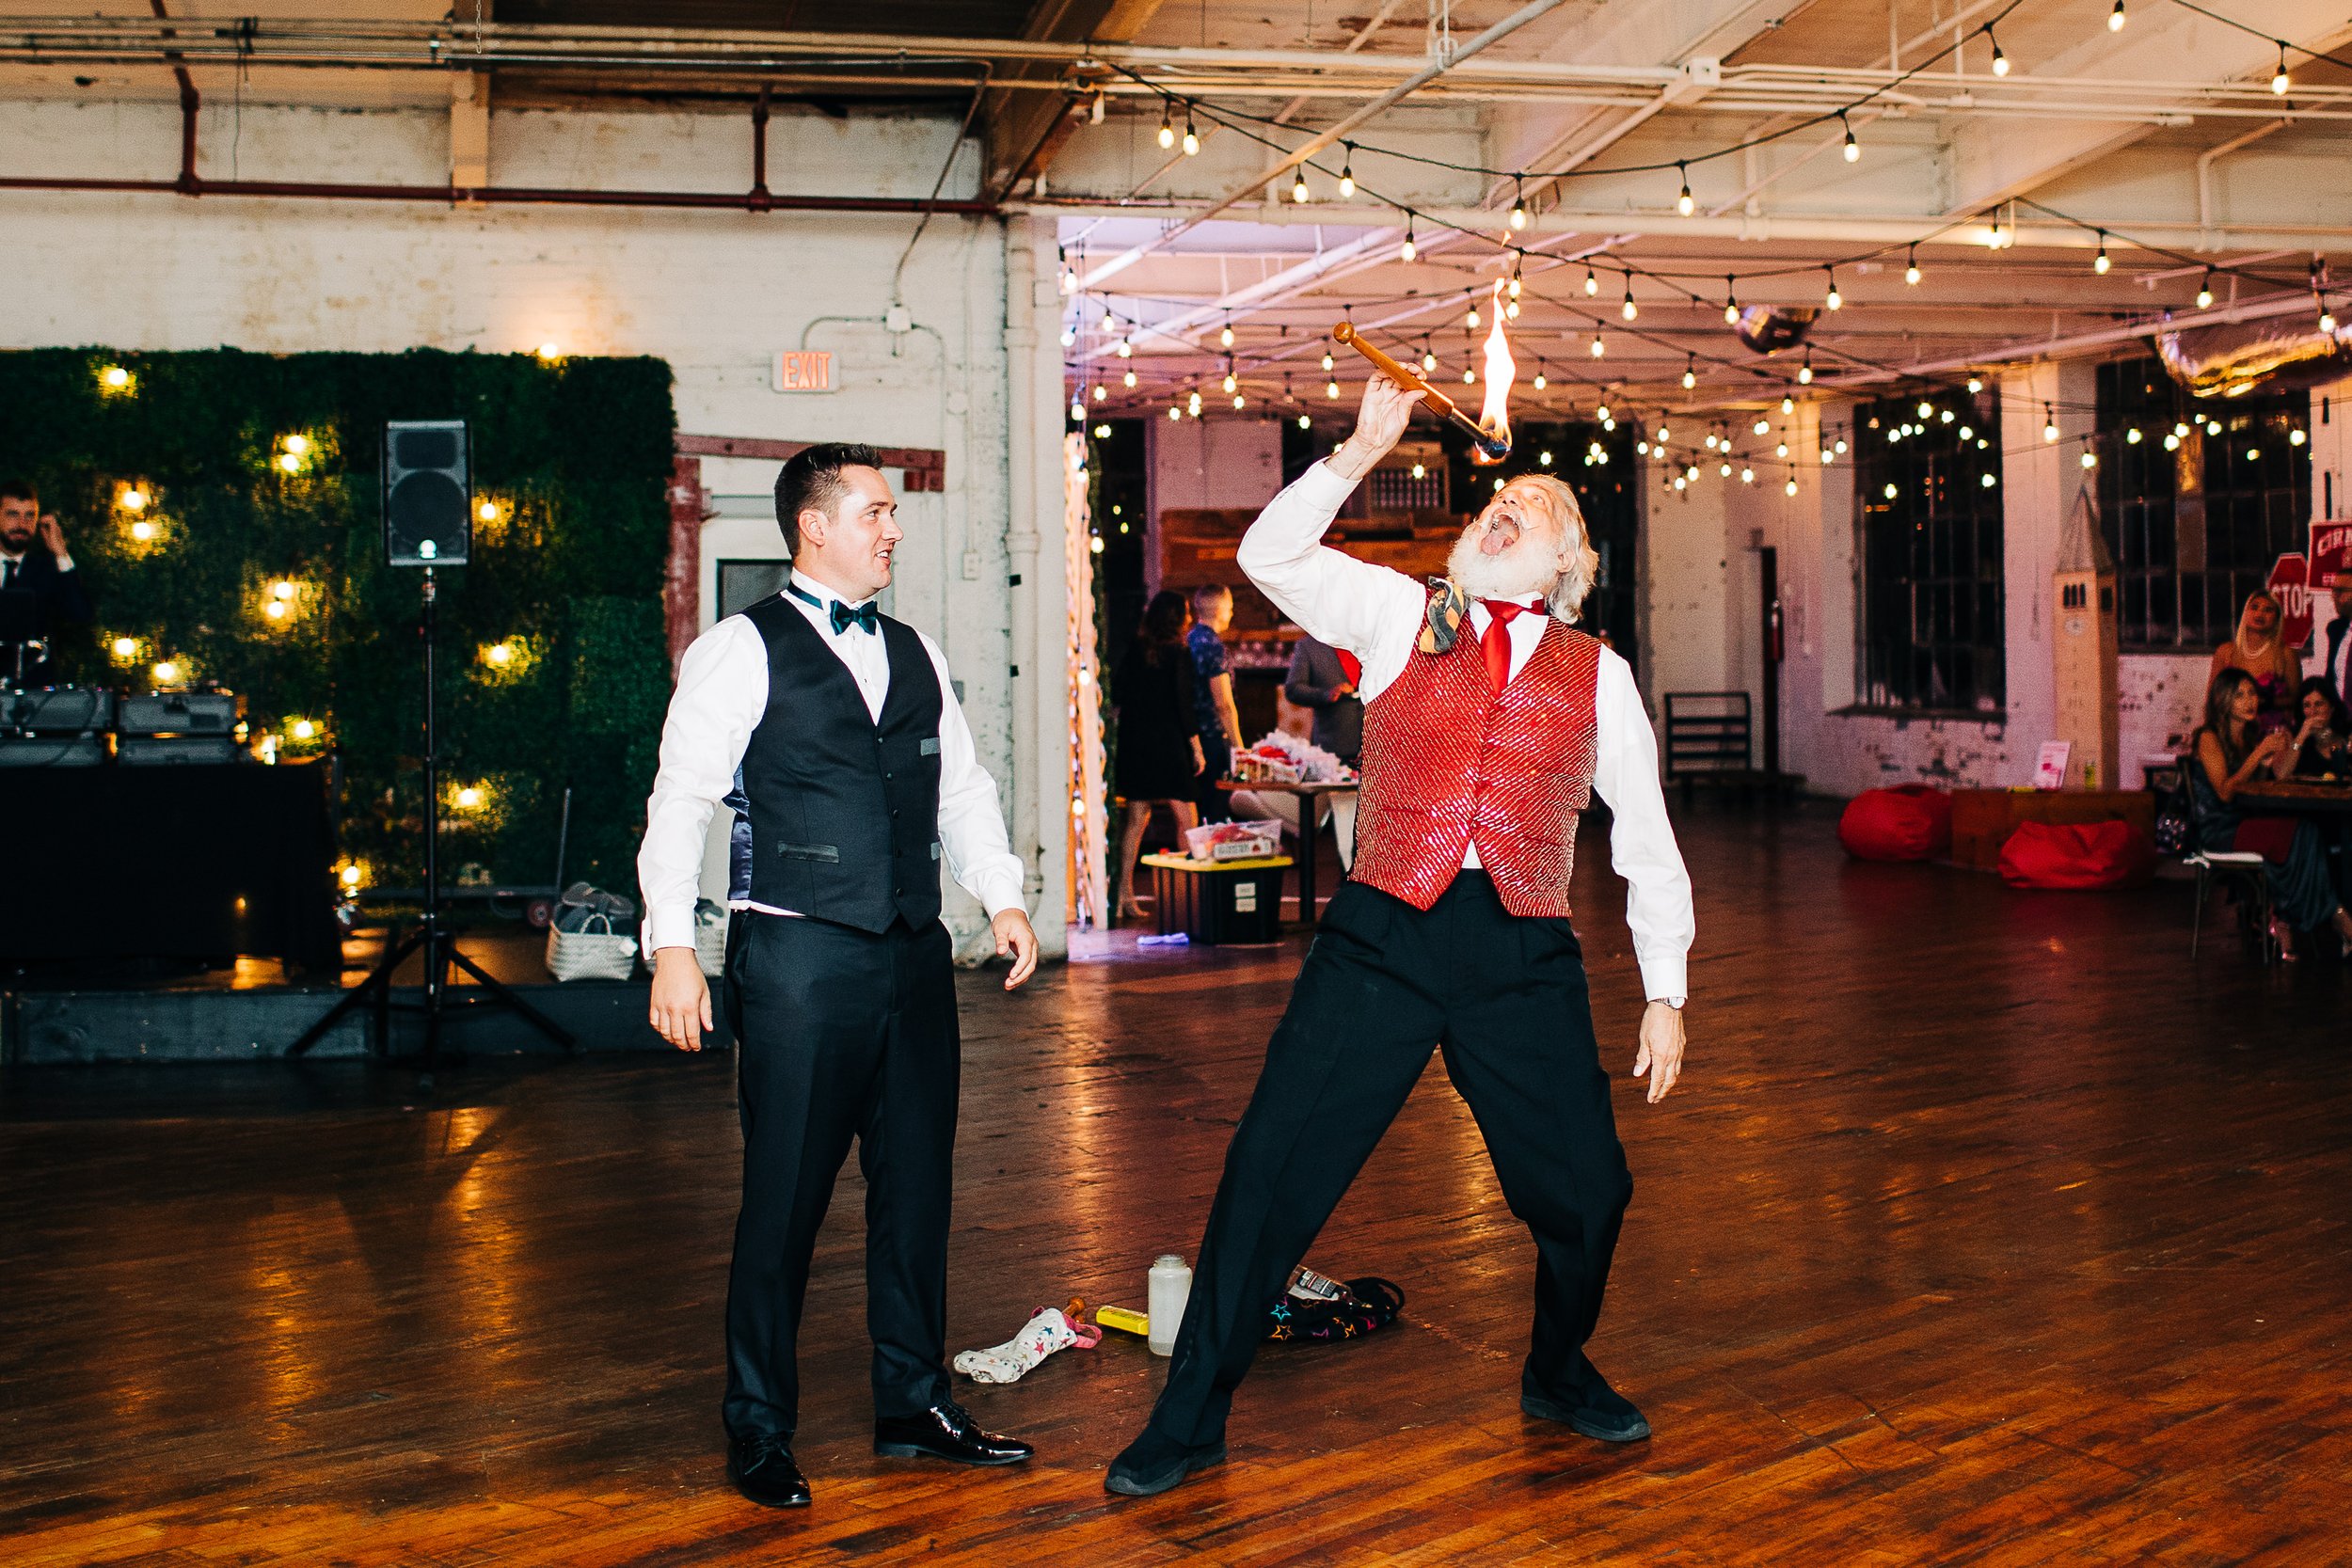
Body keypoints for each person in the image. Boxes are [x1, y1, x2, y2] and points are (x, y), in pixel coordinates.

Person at [1106, 375, 1694, 1497]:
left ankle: (1557, 1369)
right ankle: (1186, 1421)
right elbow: (1271, 557)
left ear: (1565, 564)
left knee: (1589, 1191)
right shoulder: (1397, 611)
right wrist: (1355, 453)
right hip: (1380, 933)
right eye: (1498, 497)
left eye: (1533, 503)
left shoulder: (1599, 676)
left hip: (1520, 947)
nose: (1504, 503)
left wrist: (1663, 990)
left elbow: (1647, 838)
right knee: (1272, 1168)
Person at [639, 442, 1042, 1511]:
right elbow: (680, 799)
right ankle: (758, 1424)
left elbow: (962, 790)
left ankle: (912, 1403)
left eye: (893, 512)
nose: (893, 529)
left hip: (912, 956)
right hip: (798, 962)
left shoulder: (915, 649)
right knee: (784, 1202)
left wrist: (1000, 895)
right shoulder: (737, 648)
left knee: (915, 1194)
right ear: (813, 526)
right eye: (874, 512)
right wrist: (672, 944)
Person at [2190, 667, 2352, 958]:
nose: (2250, 701)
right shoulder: (2208, 737)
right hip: (2220, 829)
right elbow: (2225, 792)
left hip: (2246, 823)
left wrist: (2264, 764)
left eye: (2252, 693)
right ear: (2223, 700)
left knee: (2307, 831)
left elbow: (2254, 789)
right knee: (2299, 834)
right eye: (2240, 695)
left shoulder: (2247, 737)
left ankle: (2287, 918)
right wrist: (2257, 755)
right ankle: (2335, 916)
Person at [1112, 590, 1205, 922]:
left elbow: (1117, 692)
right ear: (1176, 619)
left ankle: (1123, 894)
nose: (1190, 619)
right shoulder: (1179, 654)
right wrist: (1196, 747)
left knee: (1136, 820)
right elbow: (1184, 705)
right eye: (1186, 613)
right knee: (1188, 818)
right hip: (1168, 743)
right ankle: (1188, 896)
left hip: (1136, 742)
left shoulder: (1136, 649)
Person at [0, 480, 92, 688]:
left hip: (34, 690)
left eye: (30, 515)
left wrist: (61, 553)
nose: (22, 524)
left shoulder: (47, 569)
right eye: (13, 514)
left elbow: (80, 614)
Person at [1187, 583, 1246, 820]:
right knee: (1216, 812)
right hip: (1212, 739)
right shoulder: (1213, 647)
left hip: (1191, 737)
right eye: (1230, 608)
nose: (1232, 613)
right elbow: (1223, 704)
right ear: (1220, 610)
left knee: (1200, 810)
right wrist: (1239, 748)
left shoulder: (1189, 639)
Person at [2208, 590, 2301, 729]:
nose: (2259, 614)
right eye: (2254, 607)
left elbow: (2298, 698)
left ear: (2277, 619)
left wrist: (2269, 702)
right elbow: (2211, 696)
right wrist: (2208, 729)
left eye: (2268, 610)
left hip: (2271, 732)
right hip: (2231, 731)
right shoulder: (2225, 651)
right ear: (2245, 613)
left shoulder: (2286, 654)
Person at [1283, 631, 1362, 766]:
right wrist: (1326, 694)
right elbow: (1293, 689)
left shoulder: (1367, 640)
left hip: (1375, 746)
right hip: (1332, 748)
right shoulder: (1309, 646)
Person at [2281, 675, 2351, 780]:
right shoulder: (2296, 737)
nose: (2313, 712)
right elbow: (2282, 774)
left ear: (2332, 707)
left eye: (2319, 704)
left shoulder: (2347, 733)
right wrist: (2301, 736)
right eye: (2307, 705)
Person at [2319, 577, 2352, 712]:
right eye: (2334, 591)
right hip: (2340, 716)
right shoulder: (2336, 629)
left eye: (2341, 591)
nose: (2334, 597)